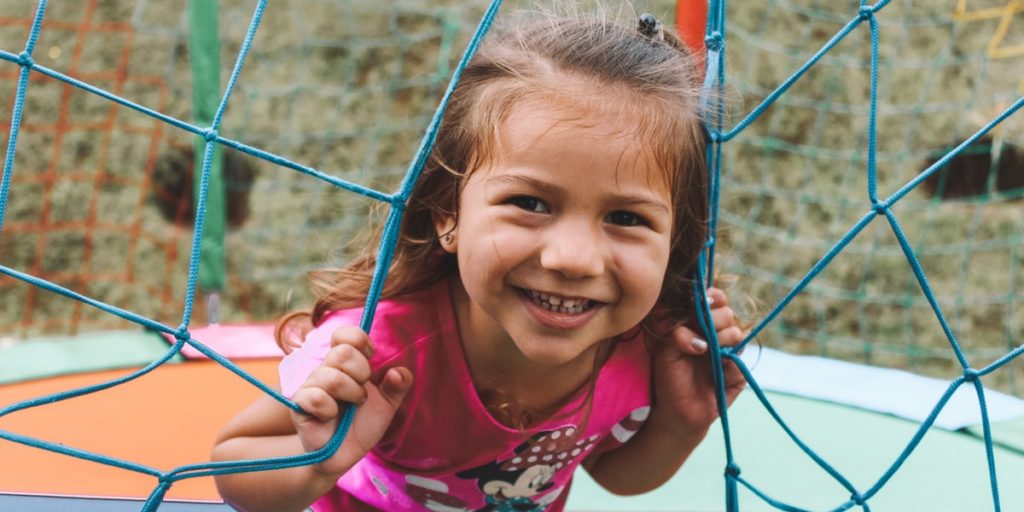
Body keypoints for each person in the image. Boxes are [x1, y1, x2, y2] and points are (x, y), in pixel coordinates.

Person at [212, 7, 746, 512]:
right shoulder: (377, 350)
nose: (573, 259)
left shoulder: (646, 343)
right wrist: (316, 463)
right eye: (530, 204)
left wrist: (681, 421)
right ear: (448, 214)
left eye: (626, 218)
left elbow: (614, 475)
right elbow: (232, 467)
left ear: (675, 241)